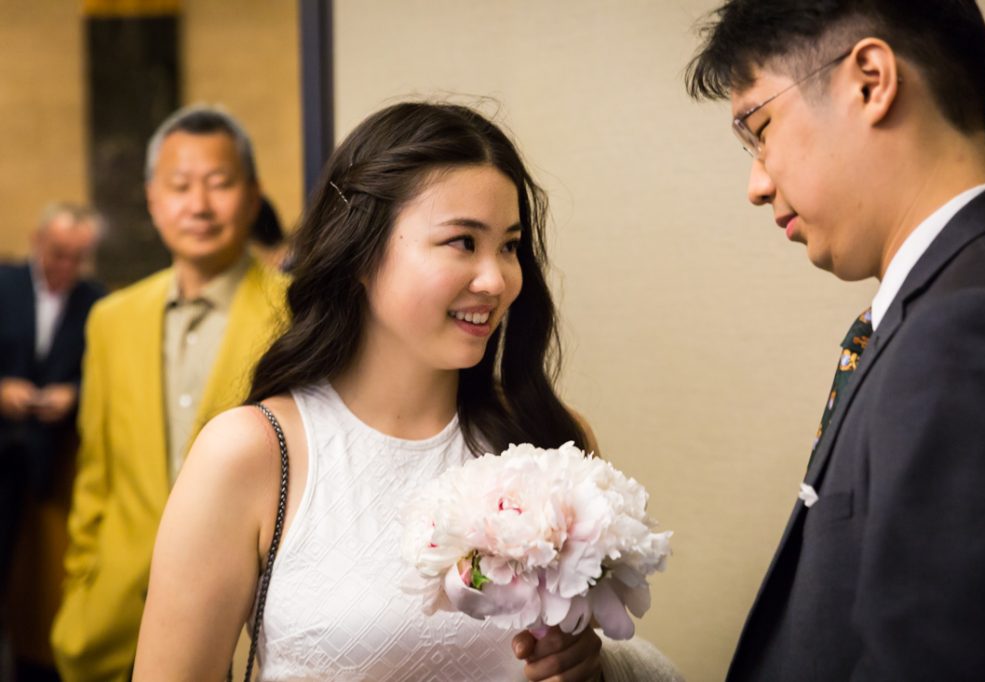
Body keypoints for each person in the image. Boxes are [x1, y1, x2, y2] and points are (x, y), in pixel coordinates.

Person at [133, 102, 682, 682]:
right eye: (462, 243)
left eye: (509, 246)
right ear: (361, 254)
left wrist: (586, 667)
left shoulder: (546, 442)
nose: (495, 280)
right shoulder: (253, 452)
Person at [686, 1, 985, 680]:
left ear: (870, 80)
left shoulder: (969, 325)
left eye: (761, 128)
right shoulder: (959, 294)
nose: (756, 185)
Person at [50, 105, 289, 682]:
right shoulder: (111, 318)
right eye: (180, 187)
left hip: (243, 628)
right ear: (153, 200)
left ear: (253, 196)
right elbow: (96, 472)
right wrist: (83, 584)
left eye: (220, 184)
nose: (199, 205)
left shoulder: (296, 313)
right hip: (110, 625)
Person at [0, 203, 104, 678]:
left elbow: (103, 378)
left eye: (77, 258)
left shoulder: (95, 302)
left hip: (51, 462)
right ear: (37, 241)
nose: (65, 267)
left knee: (38, 583)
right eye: (59, 253)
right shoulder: (5, 284)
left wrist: (74, 394)